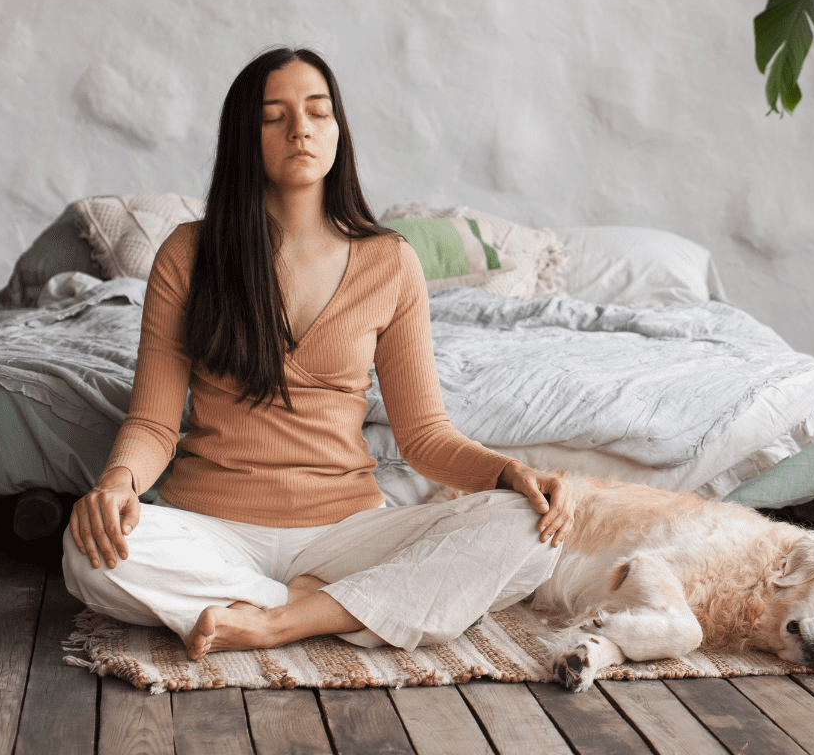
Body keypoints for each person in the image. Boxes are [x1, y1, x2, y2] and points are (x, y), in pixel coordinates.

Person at [63, 46, 572, 661]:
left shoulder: (390, 262)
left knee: (529, 531)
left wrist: (505, 471)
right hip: (213, 528)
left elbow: (424, 436)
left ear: (338, 132)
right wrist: (118, 483)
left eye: (317, 112)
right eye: (273, 116)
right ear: (244, 138)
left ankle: (275, 621)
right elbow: (152, 423)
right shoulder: (188, 254)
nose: (299, 128)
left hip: (348, 531)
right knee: (86, 553)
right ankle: (331, 605)